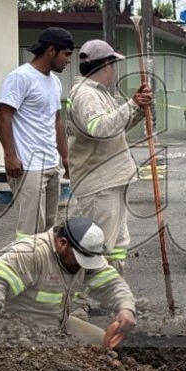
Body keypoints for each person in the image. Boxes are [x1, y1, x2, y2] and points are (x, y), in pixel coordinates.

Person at [0, 217, 138, 349]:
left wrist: (126, 308)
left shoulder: (84, 254)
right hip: (23, 332)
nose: (83, 266)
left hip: (58, 325)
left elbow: (113, 284)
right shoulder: (32, 254)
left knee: (102, 344)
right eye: (80, 260)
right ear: (62, 243)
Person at [67, 39, 153, 269]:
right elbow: (100, 129)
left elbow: (116, 128)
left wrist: (137, 110)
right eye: (113, 65)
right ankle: (87, 298)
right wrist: (132, 104)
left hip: (111, 178)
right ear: (105, 65)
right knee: (98, 243)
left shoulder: (100, 93)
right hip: (98, 182)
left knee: (117, 243)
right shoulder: (86, 95)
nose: (115, 71)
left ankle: (116, 295)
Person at [0, 27, 73, 239]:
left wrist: (65, 156)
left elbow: (56, 120)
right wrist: (10, 155)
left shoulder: (55, 82)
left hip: (50, 164)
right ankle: (24, 269)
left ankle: (42, 271)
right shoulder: (20, 77)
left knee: (48, 231)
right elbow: (3, 116)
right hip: (27, 167)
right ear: (51, 50)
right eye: (66, 54)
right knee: (29, 232)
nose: (68, 60)